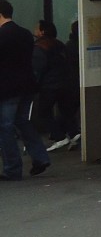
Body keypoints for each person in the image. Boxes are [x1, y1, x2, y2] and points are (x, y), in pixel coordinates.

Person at [0, 0, 50, 180]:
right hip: (27, 86)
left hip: (7, 89)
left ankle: (12, 169)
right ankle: (40, 157)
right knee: (22, 122)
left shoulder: (2, 35)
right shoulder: (25, 34)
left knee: (5, 127)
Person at [32, 21, 75, 151]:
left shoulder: (40, 46)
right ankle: (74, 133)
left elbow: (38, 68)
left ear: (42, 31)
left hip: (49, 85)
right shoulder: (60, 44)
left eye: (37, 28)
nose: (35, 30)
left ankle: (59, 136)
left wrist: (34, 84)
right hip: (65, 82)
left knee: (44, 112)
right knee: (65, 109)